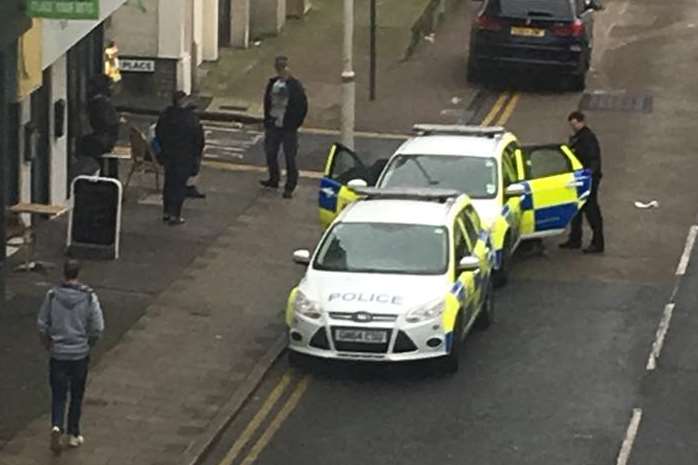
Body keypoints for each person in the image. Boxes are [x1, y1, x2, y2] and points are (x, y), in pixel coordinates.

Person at [37, 259, 104, 454]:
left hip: (58, 353)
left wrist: (48, 343)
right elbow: (98, 327)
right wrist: (88, 343)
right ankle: (73, 433)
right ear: (78, 273)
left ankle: (56, 425)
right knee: (76, 394)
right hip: (79, 354)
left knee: (58, 394)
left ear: (63, 273)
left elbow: (42, 324)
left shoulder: (52, 296)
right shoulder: (89, 298)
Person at [260, 56, 308, 199]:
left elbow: (302, 106)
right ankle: (274, 179)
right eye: (278, 67)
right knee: (270, 152)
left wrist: (294, 124)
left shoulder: (294, 86)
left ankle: (290, 186)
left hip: (288, 127)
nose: (281, 69)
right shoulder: (273, 83)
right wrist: (268, 120)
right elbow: (267, 103)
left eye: (283, 67)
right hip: (274, 124)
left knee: (290, 158)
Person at [156, 91, 205, 225]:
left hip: (168, 154)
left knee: (169, 183)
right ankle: (175, 215)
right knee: (179, 186)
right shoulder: (191, 118)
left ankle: (166, 212)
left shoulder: (166, 115)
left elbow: (158, 133)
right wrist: (196, 155)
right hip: (184, 156)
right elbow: (198, 139)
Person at [560, 111, 605, 254]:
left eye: (574, 124)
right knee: (577, 210)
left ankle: (597, 243)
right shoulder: (579, 137)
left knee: (591, 210)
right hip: (579, 178)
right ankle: (575, 239)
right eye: (571, 125)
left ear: (581, 122)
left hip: (588, 179)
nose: (573, 127)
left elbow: (593, 159)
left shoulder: (587, 138)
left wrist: (589, 174)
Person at [79, 75, 120, 177]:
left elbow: (101, 123)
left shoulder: (100, 104)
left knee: (81, 146)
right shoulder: (104, 103)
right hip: (106, 138)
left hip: (104, 140)